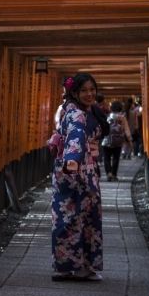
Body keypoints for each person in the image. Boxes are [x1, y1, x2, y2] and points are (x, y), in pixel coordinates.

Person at [51, 73, 103, 282]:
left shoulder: (75, 110)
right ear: (74, 92)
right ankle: (76, 266)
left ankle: (68, 265)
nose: (89, 94)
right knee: (76, 217)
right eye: (84, 91)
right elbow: (75, 137)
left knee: (71, 217)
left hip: (76, 168)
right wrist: (72, 160)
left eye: (92, 90)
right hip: (76, 170)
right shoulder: (76, 115)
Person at [102, 100, 131, 181]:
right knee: (116, 158)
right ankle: (114, 174)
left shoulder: (107, 116)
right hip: (118, 141)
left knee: (106, 158)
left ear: (111, 108)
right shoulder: (122, 117)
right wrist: (129, 139)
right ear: (120, 108)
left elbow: (103, 128)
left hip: (106, 140)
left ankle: (108, 173)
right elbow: (126, 129)